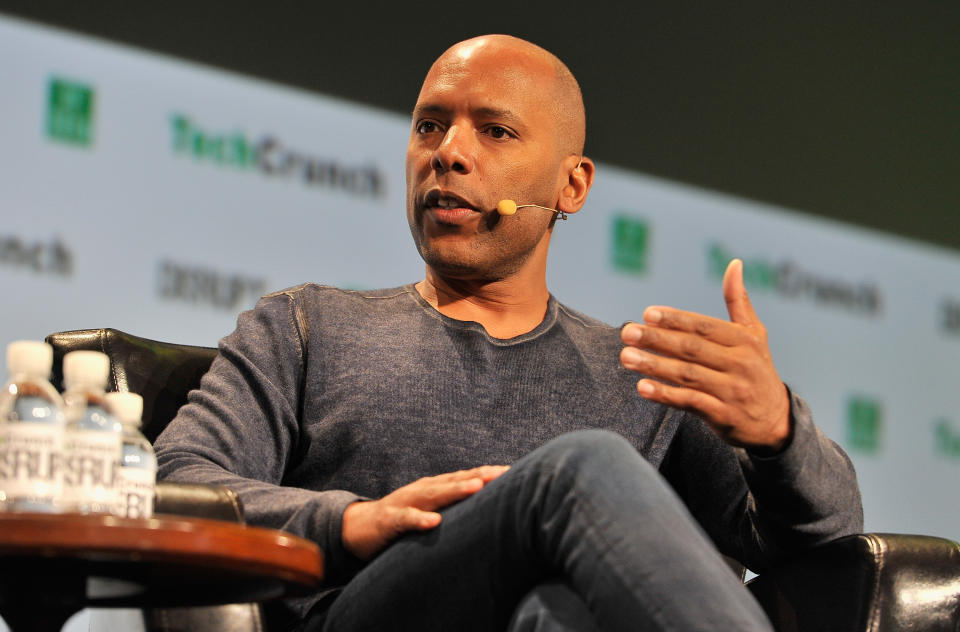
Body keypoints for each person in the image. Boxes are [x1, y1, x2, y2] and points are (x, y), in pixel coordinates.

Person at [154, 34, 862, 631]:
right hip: (365, 613)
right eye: (430, 125)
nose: (449, 153)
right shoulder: (308, 325)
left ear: (571, 187)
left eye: (494, 130)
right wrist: (350, 523)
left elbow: (823, 539)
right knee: (580, 470)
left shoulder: (641, 374)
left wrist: (778, 435)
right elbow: (173, 484)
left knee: (559, 613)